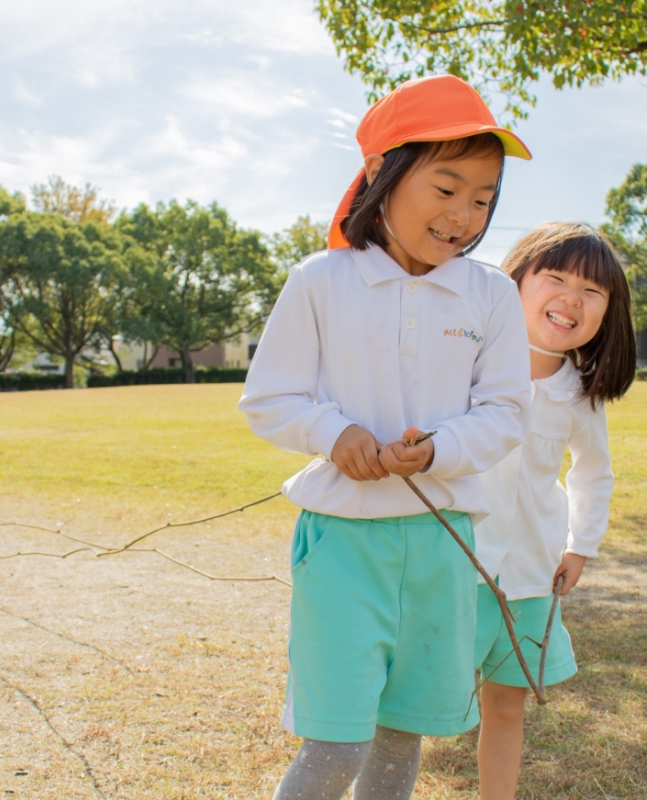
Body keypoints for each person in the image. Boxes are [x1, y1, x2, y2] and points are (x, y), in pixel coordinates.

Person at [239, 75, 533, 800]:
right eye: (446, 187)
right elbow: (269, 399)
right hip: (343, 542)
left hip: (441, 544)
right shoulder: (320, 281)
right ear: (380, 173)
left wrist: (436, 448)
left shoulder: (489, 293)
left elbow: (505, 412)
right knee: (336, 747)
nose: (464, 214)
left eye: (483, 198)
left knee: (402, 741)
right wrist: (335, 435)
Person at [470, 223, 637, 800]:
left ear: (608, 313)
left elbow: (592, 473)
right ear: (514, 279)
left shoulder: (580, 394)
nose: (572, 298)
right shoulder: (469, 361)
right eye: (556, 278)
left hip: (531, 572)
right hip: (453, 564)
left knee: (507, 703)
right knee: (424, 701)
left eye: (593, 292)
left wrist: (580, 545)